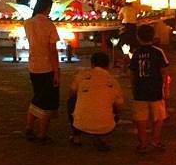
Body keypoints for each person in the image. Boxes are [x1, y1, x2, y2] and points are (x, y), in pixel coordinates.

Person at [68, 52, 124, 151]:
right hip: (106, 126)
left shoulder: (82, 75)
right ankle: (103, 136)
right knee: (115, 105)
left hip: (80, 123)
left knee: (71, 101)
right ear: (108, 65)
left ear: (92, 64)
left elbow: (72, 93)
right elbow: (119, 107)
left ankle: (76, 137)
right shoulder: (113, 81)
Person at [24, 0, 60, 143]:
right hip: (47, 67)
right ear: (48, 8)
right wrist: (57, 71)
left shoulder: (28, 23)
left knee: (37, 97)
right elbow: (52, 50)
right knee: (46, 101)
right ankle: (42, 134)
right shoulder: (49, 25)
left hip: (33, 66)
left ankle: (29, 127)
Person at [129, 24, 169, 153]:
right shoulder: (158, 51)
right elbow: (164, 71)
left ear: (138, 37)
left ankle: (143, 144)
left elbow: (132, 73)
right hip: (156, 89)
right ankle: (155, 140)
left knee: (141, 118)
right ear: (153, 36)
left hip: (140, 90)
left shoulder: (136, 52)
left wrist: (133, 87)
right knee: (159, 116)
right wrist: (166, 88)